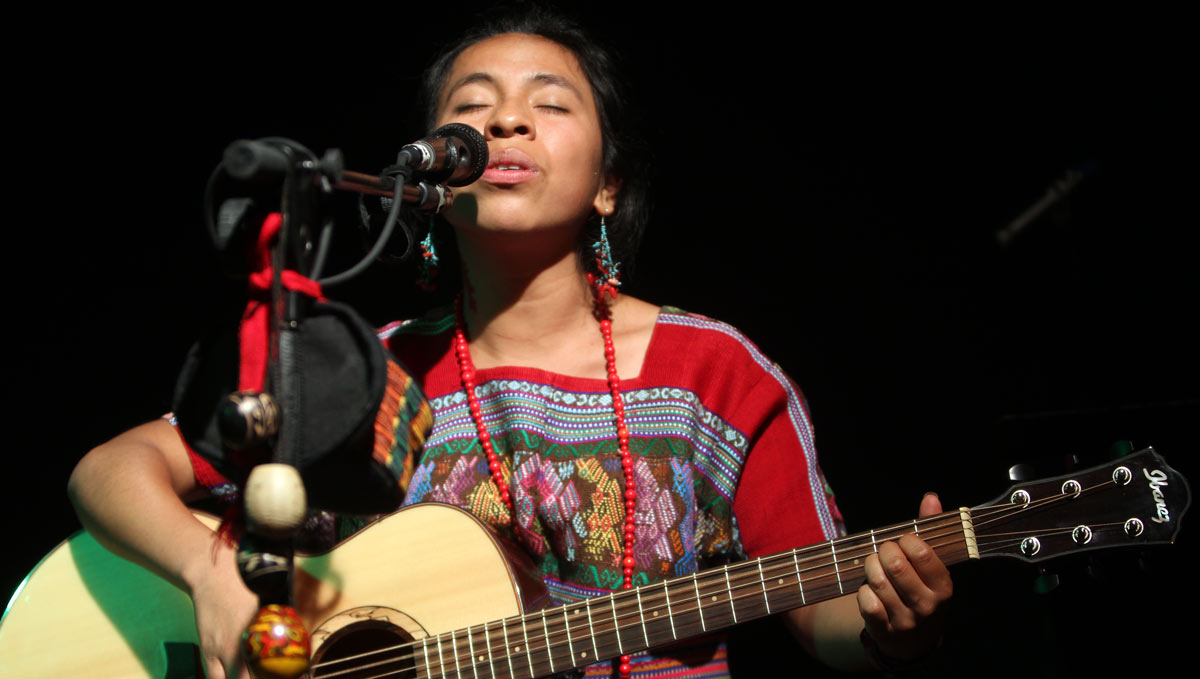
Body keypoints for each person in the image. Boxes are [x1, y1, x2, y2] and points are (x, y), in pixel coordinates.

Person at [69, 8, 951, 679]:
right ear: (429, 179)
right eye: (472, 110)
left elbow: (825, 613)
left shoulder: (714, 371)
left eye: (550, 104)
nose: (506, 125)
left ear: (609, 185)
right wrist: (209, 573)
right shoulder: (359, 376)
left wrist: (886, 615)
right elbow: (108, 467)